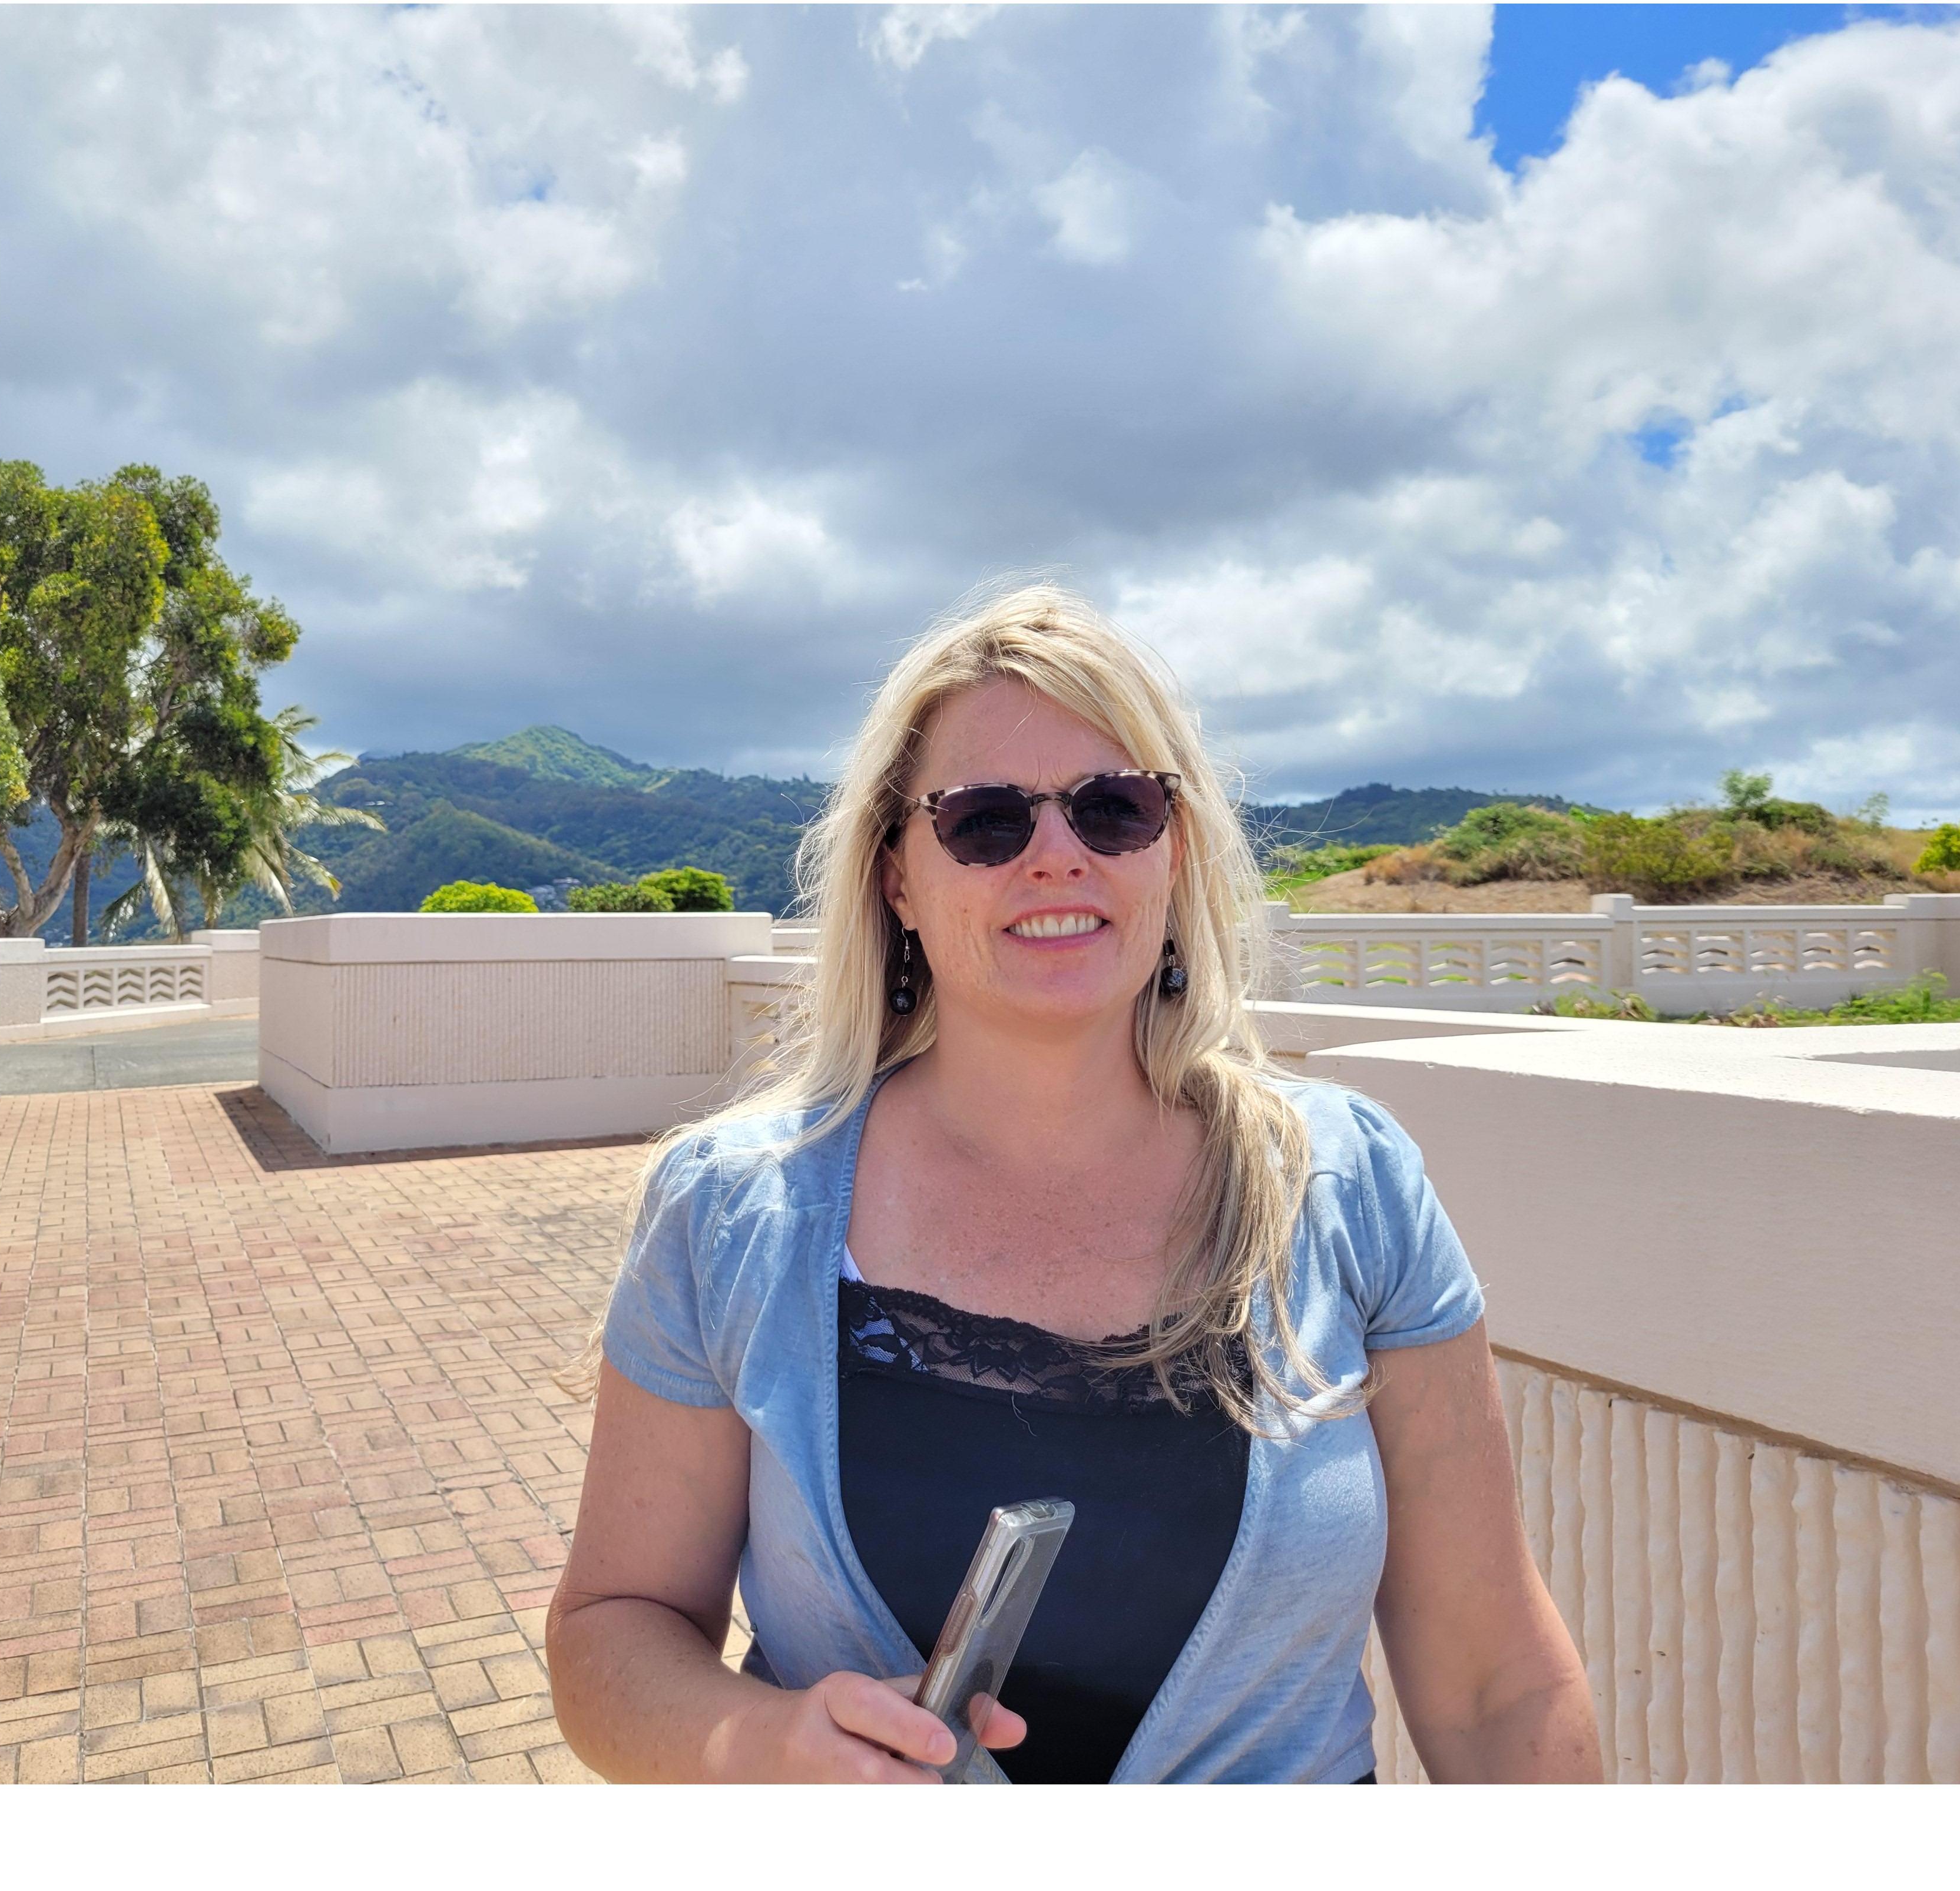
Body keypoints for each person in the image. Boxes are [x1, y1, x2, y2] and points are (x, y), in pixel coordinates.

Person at [547, 584, 1601, 1783]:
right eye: (987, 821)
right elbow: (612, 1630)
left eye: (1116, 808)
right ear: (895, 873)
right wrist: (760, 1744)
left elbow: (1495, 1676)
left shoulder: (1350, 1182)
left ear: (1176, 849)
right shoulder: (732, 1211)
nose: (1058, 856)